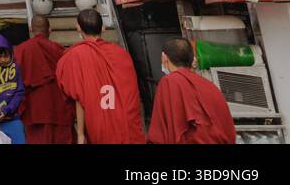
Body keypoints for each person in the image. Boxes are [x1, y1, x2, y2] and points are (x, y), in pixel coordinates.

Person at [55, 9, 145, 144]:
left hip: (98, 123)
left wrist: (80, 134)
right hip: (126, 122)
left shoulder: (74, 56)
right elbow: (131, 93)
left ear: (78, 28)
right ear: (102, 28)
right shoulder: (121, 54)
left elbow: (77, 98)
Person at [147, 38, 236, 144]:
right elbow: (228, 129)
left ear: (164, 58)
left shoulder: (169, 82)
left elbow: (160, 132)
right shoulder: (210, 86)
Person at [13, 15, 75, 143]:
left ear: (31, 29)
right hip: (59, 109)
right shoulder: (59, 51)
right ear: (50, 30)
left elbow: (15, 82)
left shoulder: (20, 51)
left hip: (34, 111)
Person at [0, 35, 26, 144]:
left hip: (13, 119)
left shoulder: (16, 67)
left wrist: (7, 110)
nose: (3, 60)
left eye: (6, 56)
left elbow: (19, 92)